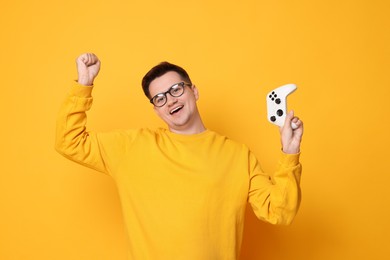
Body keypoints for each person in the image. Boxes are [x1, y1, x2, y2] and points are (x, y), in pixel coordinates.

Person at [55, 53, 304, 260]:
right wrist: (84, 83)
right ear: (156, 109)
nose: (170, 100)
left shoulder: (238, 155)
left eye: (176, 89)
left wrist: (290, 153)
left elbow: (280, 211)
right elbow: (69, 141)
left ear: (194, 91)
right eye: (160, 98)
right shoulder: (132, 147)